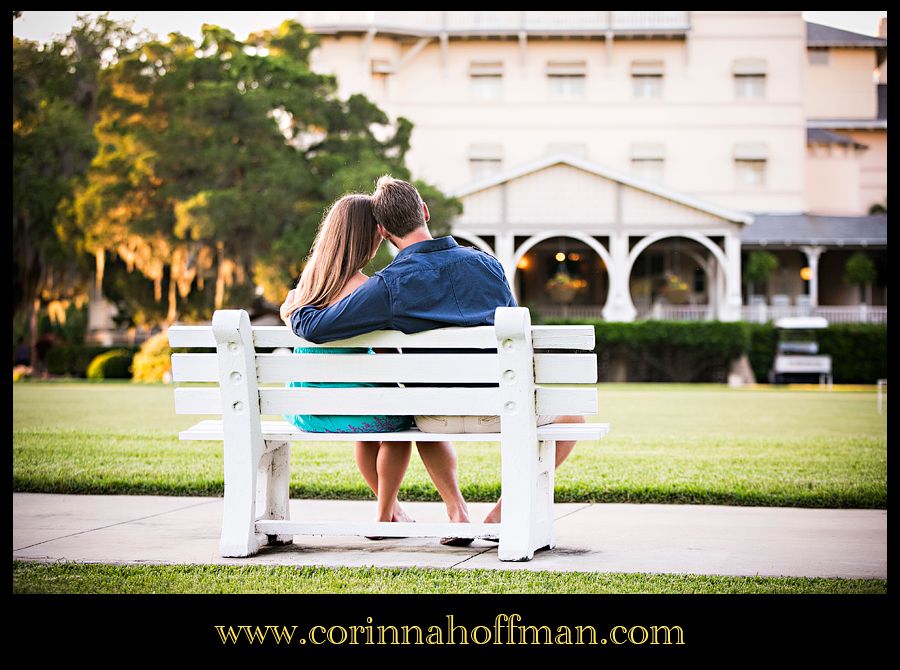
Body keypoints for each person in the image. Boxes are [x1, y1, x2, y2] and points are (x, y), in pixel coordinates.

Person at [284, 175, 584, 539]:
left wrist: (294, 309)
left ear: (382, 231)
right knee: (573, 413)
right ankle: (501, 514)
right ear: (424, 211)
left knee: (419, 400)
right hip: (499, 408)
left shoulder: (387, 286)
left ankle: (457, 511)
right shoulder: (487, 265)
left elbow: (316, 326)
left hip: (432, 418)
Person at [279, 193, 415, 528]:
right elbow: (386, 358)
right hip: (355, 410)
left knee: (368, 426)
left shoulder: (304, 288)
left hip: (308, 411)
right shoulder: (367, 289)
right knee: (401, 425)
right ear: (366, 237)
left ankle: (393, 510)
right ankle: (385, 514)